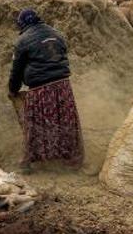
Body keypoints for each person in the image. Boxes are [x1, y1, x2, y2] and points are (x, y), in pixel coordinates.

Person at [8, 9, 83, 170]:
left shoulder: (23, 40)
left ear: (22, 24)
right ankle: (71, 158)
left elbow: (17, 70)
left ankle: (30, 161)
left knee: (35, 124)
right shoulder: (57, 34)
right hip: (63, 85)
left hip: (40, 89)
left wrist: (13, 89)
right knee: (65, 121)